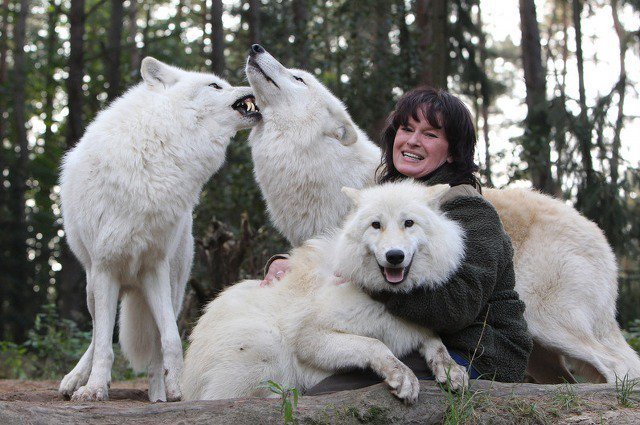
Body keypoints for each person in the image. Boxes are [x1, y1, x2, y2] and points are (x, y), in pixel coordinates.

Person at [263, 87, 532, 388]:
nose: (413, 140)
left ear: (453, 151)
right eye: (407, 129)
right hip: (406, 338)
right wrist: (289, 264)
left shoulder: (471, 211)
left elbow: (456, 308)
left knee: (332, 396)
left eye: (430, 134)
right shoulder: (387, 199)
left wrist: (371, 280)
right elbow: (345, 247)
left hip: (477, 353)